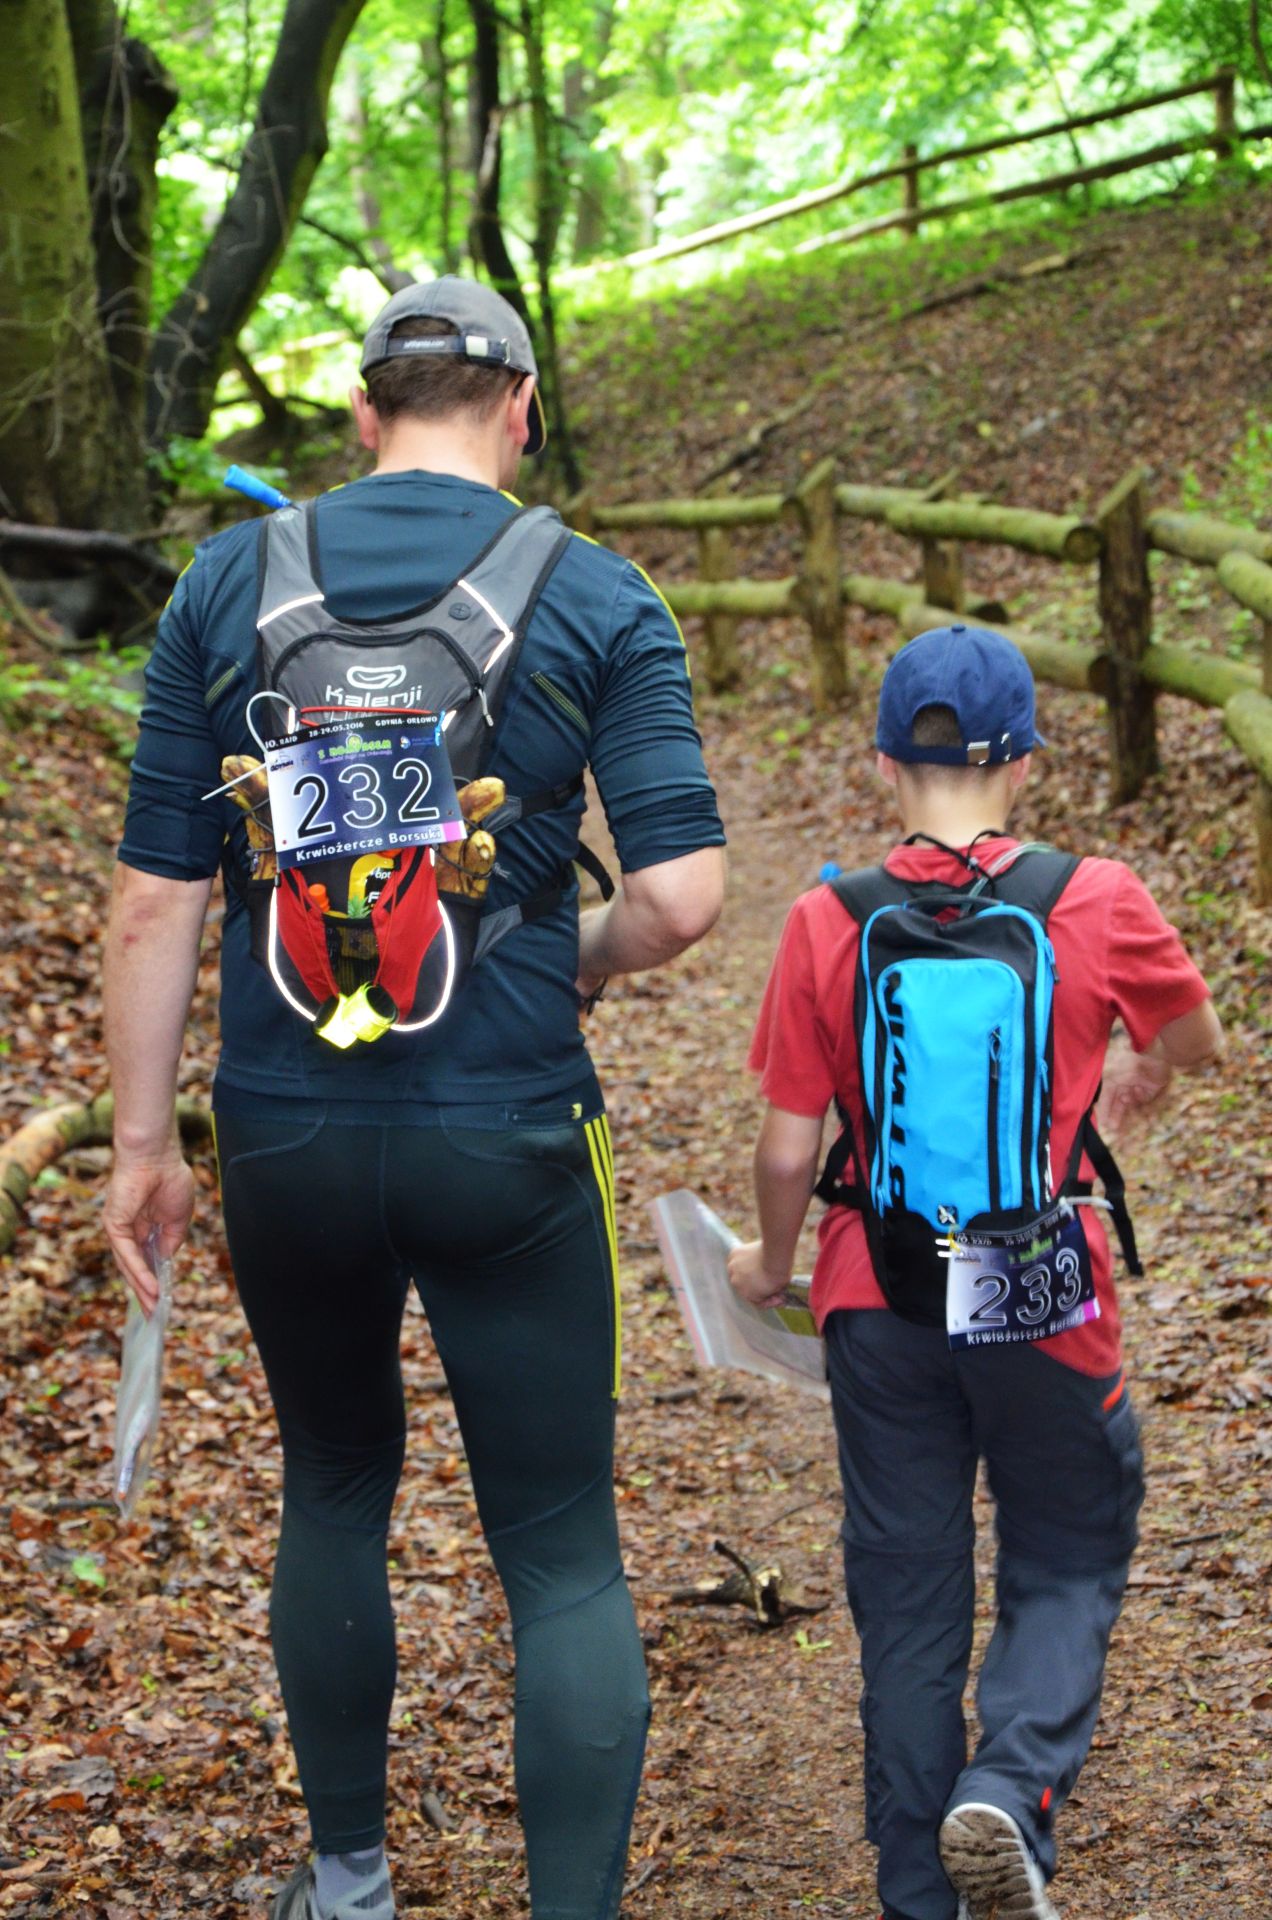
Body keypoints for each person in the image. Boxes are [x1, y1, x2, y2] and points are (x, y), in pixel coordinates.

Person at [102, 275, 726, 1920]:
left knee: (330, 1487)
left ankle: (352, 1884)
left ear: (365, 414)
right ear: (520, 411)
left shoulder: (227, 583)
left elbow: (157, 896)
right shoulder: (598, 595)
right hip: (510, 1126)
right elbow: (681, 899)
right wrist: (568, 954)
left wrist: (148, 1146)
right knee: (560, 1549)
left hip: (287, 1130)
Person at [727, 624, 1222, 1920]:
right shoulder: (1094, 897)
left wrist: (765, 1262)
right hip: (1039, 1281)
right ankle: (1009, 1785)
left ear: (884, 762)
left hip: (876, 1288)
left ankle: (917, 1888)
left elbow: (788, 1148)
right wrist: (1144, 1063)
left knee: (905, 1593)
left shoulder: (827, 919)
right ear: (1025, 763)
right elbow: (1199, 1037)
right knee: (1067, 1542)